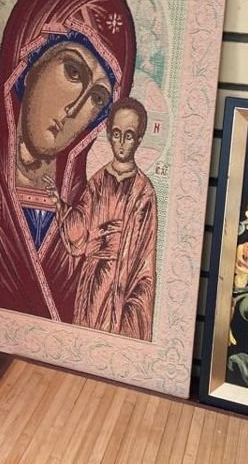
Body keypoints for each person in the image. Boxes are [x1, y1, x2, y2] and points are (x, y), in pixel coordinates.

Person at [0, 0, 136, 323]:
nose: (75, 109)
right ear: (27, 61)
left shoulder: (91, 221)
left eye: (97, 98)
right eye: (73, 72)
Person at [45, 97, 157, 341]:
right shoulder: (97, 181)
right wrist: (60, 206)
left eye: (129, 135)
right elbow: (80, 231)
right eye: (116, 134)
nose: (121, 142)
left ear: (139, 138)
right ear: (108, 135)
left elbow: (144, 253)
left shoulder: (144, 191)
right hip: (92, 280)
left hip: (121, 280)